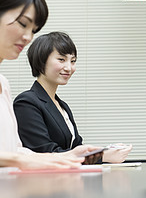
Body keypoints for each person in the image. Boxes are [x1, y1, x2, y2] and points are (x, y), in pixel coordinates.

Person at [0, 0, 100, 170]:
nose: (28, 37)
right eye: (22, 23)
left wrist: (76, 154)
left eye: (34, 30)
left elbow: (14, 150)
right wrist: (20, 160)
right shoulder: (27, 101)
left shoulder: (3, 83)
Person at [13, 31, 132, 163]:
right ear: (42, 61)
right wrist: (103, 157)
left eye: (73, 61)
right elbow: (43, 152)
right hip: (42, 181)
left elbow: (76, 148)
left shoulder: (62, 105)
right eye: (61, 60)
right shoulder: (26, 102)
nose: (69, 68)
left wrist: (105, 151)